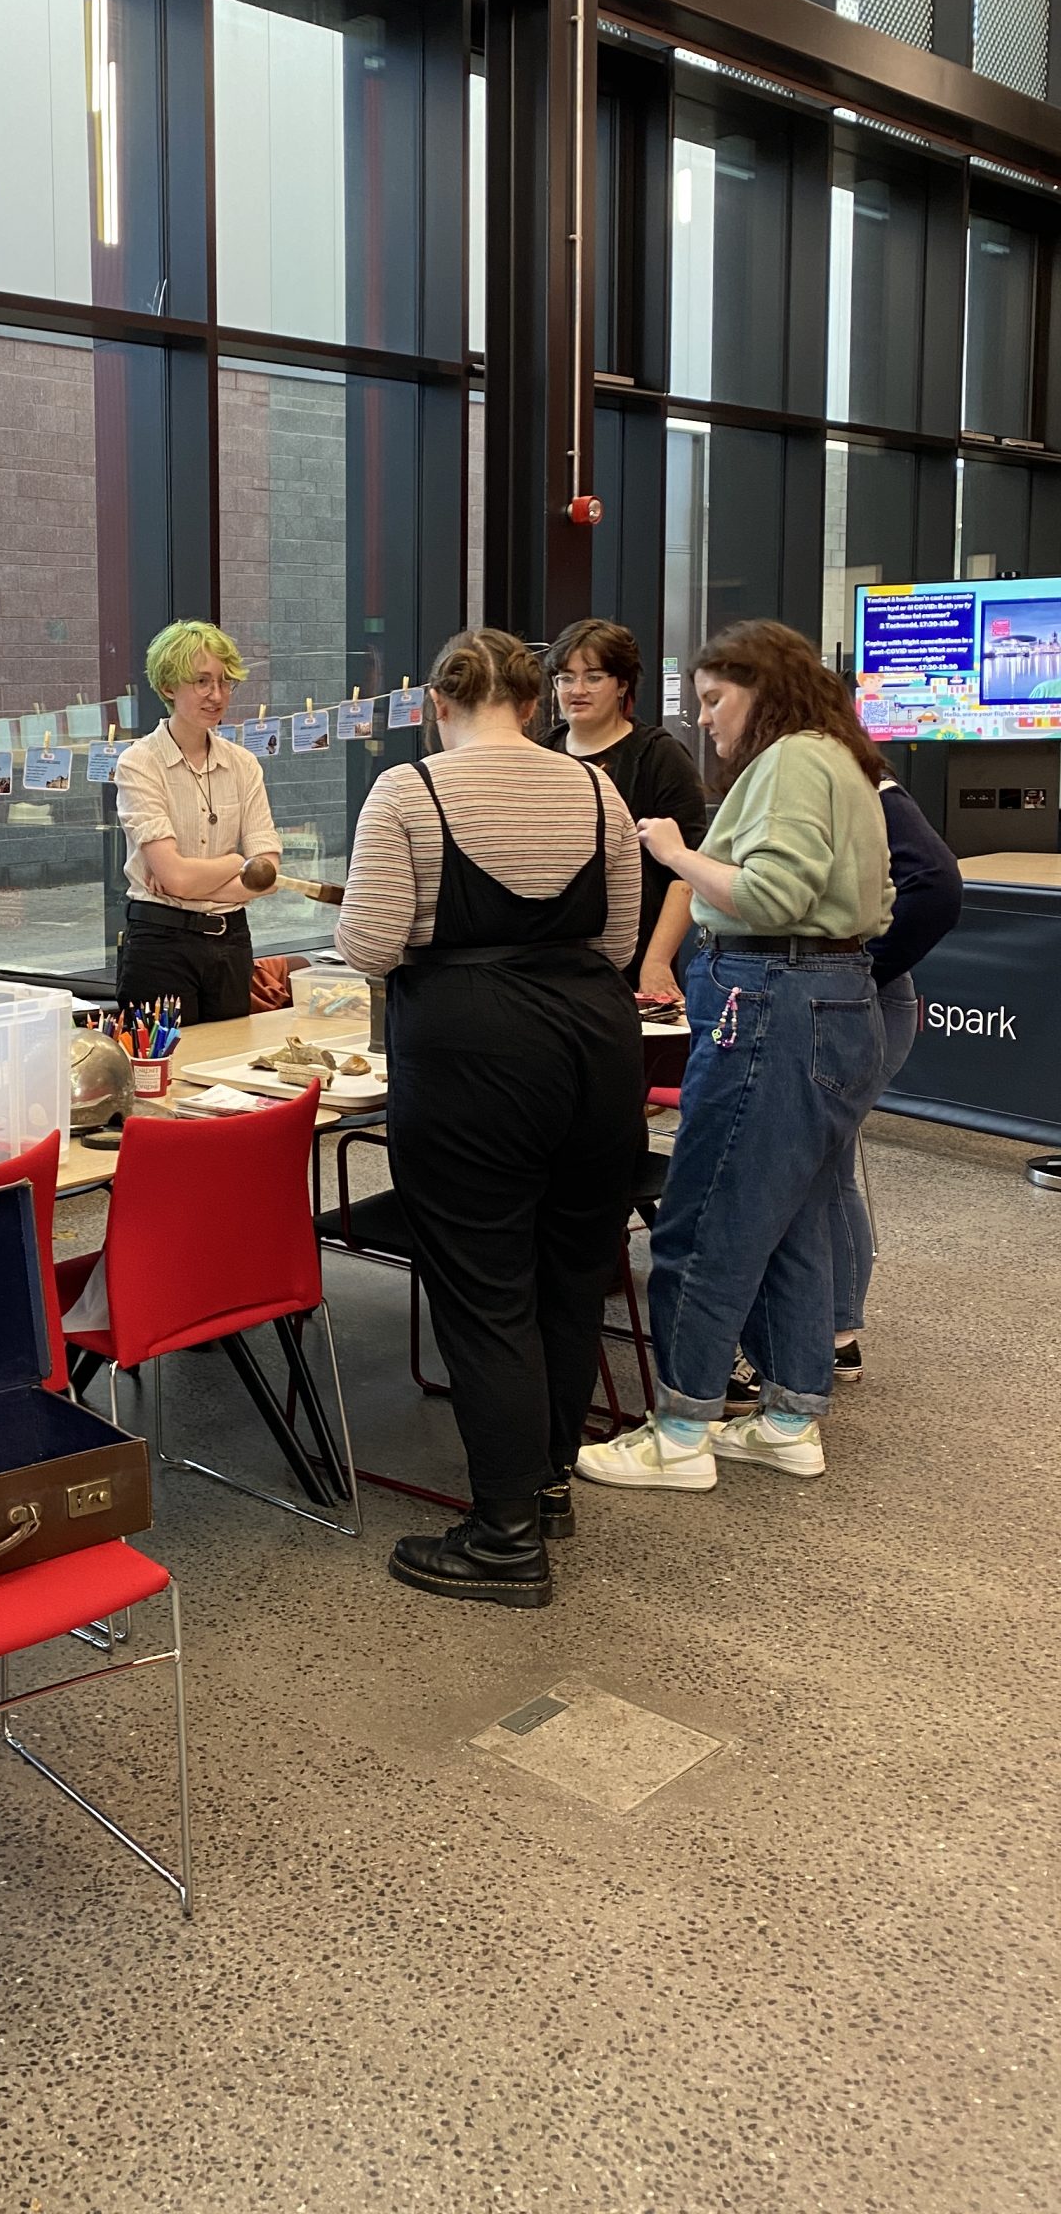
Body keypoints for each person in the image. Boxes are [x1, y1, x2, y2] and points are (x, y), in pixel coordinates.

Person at [336, 629, 647, 1610]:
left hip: (474, 1052)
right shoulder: (598, 790)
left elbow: (370, 944)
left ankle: (506, 1534)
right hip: (595, 1050)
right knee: (567, 1274)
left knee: (484, 1287)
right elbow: (618, 938)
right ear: (537, 701)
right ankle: (548, 1481)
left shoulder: (410, 791)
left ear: (439, 704)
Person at [576, 620, 893, 1494]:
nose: (705, 720)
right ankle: (789, 1418)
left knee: (705, 1218)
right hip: (833, 996)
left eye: (715, 699)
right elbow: (883, 897)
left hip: (773, 999)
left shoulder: (791, 760)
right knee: (789, 1222)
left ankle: (679, 1430)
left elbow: (772, 892)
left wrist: (675, 852)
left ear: (766, 689)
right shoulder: (844, 759)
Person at [725, 734, 961, 1408]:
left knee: (820, 1168)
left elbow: (937, 884)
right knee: (826, 1167)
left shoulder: (859, 780)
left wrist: (862, 967)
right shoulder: (808, 778)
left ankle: (830, 1331)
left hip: (857, 992)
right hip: (831, 988)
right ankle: (833, 1329)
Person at [112, 621, 280, 1023]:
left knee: (229, 1070)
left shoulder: (243, 764)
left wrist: (187, 878)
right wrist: (234, 864)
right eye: (202, 682)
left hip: (231, 941)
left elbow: (269, 874)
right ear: (169, 687)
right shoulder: (139, 762)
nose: (217, 695)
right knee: (163, 1077)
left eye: (225, 682)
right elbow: (179, 879)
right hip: (160, 943)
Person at [543, 618, 709, 999]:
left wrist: (656, 962)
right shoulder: (542, 752)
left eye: (594, 676)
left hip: (634, 958)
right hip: (551, 962)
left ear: (622, 685)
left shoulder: (658, 756)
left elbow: (687, 871)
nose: (577, 690)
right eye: (565, 678)